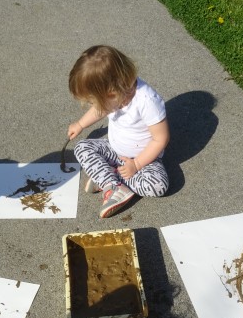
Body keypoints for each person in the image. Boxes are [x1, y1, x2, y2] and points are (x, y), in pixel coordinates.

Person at [67, 45, 170, 218]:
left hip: (144, 159)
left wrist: (136, 165)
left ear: (112, 93)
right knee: (82, 147)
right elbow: (100, 109)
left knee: (158, 185)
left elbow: (161, 139)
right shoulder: (114, 97)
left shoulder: (147, 101)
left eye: (93, 101)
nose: (94, 105)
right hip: (115, 151)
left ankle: (109, 178)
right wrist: (80, 124)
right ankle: (111, 182)